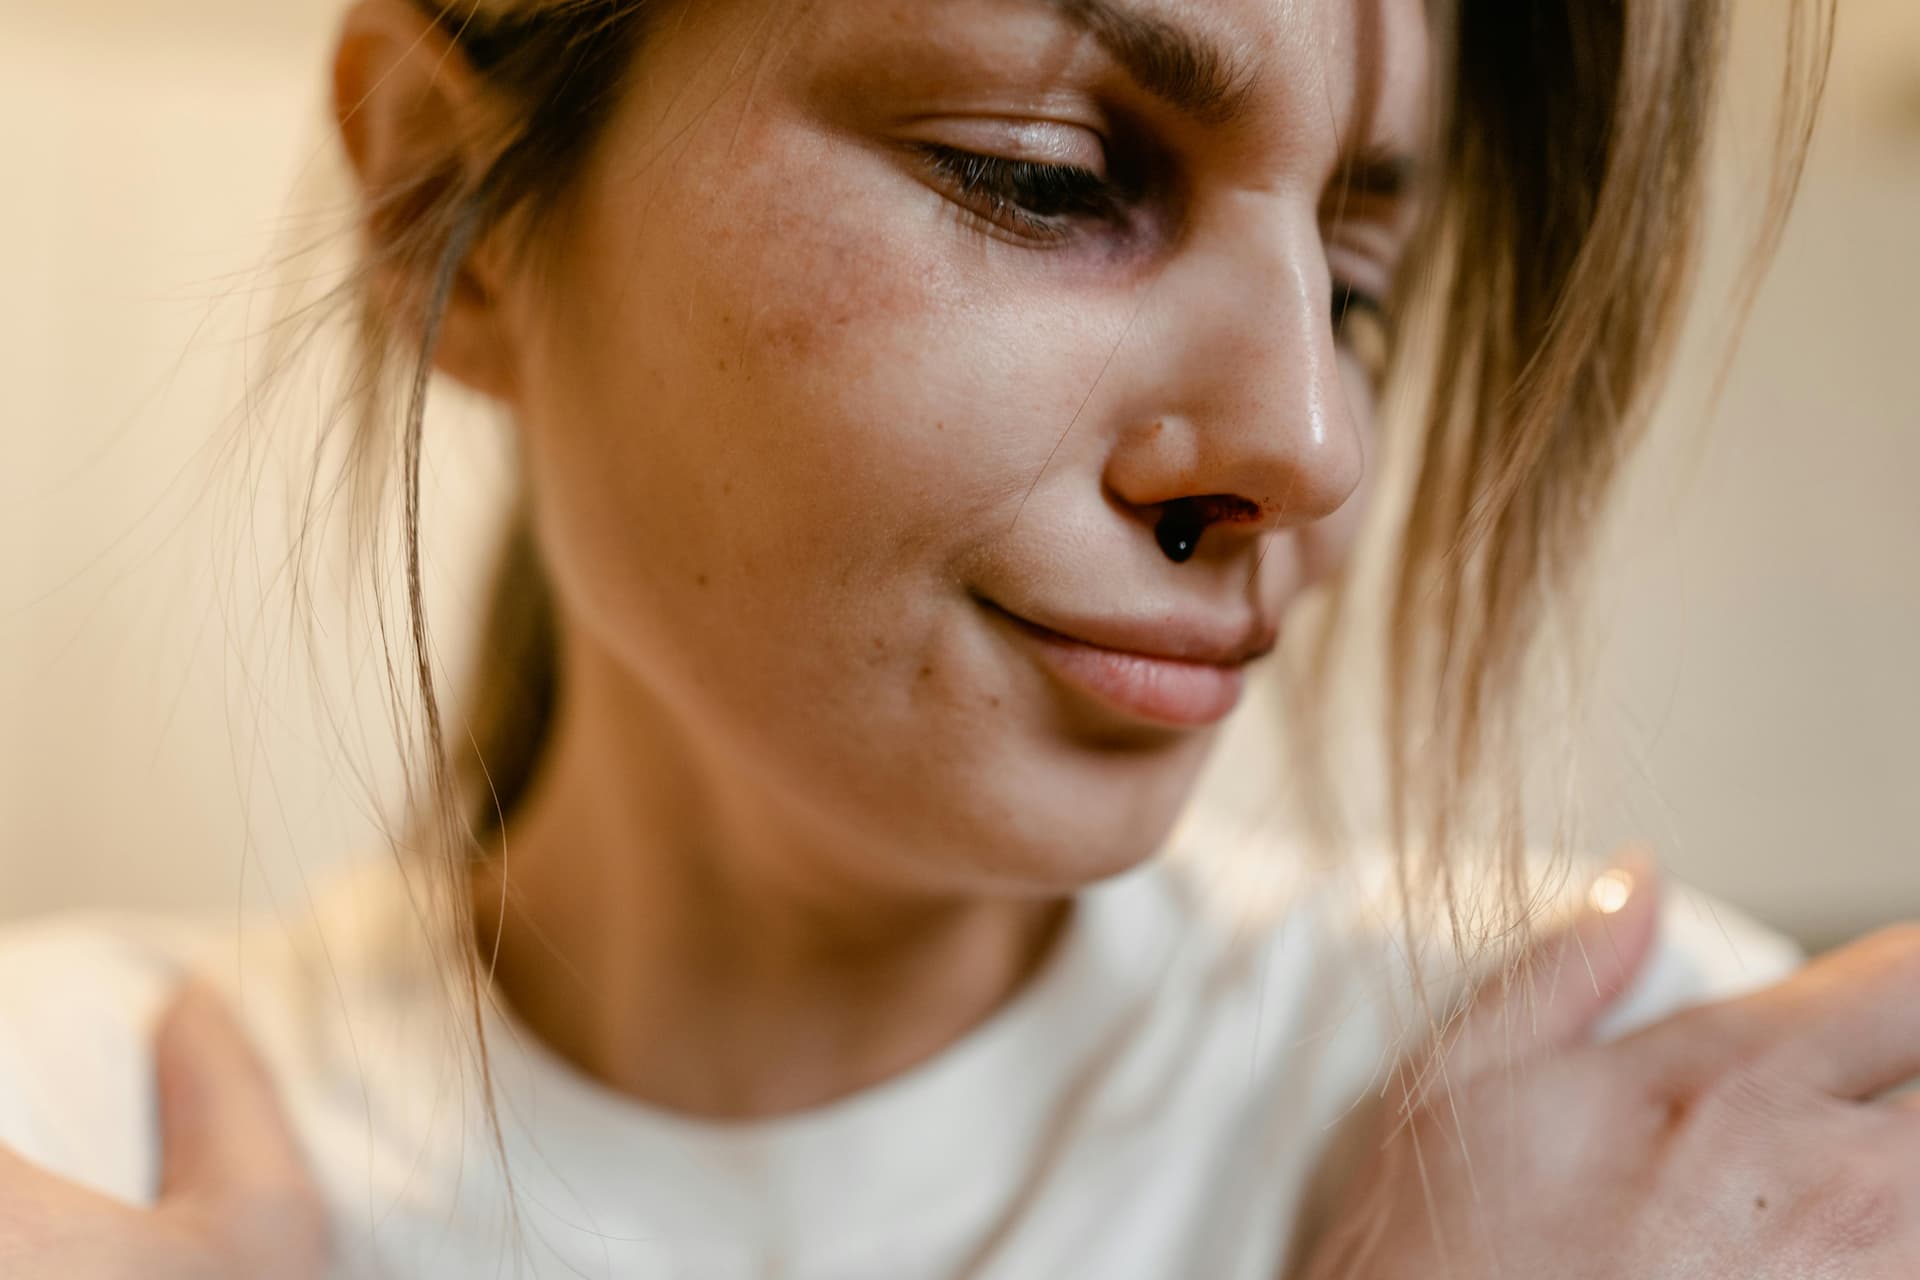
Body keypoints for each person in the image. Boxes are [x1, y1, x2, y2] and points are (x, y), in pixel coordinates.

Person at [6, 0, 1909, 1277]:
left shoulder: (1648, 1129)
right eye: (1046, 179)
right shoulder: (78, 1126)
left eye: (1356, 290)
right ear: (455, 202)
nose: (1313, 446)